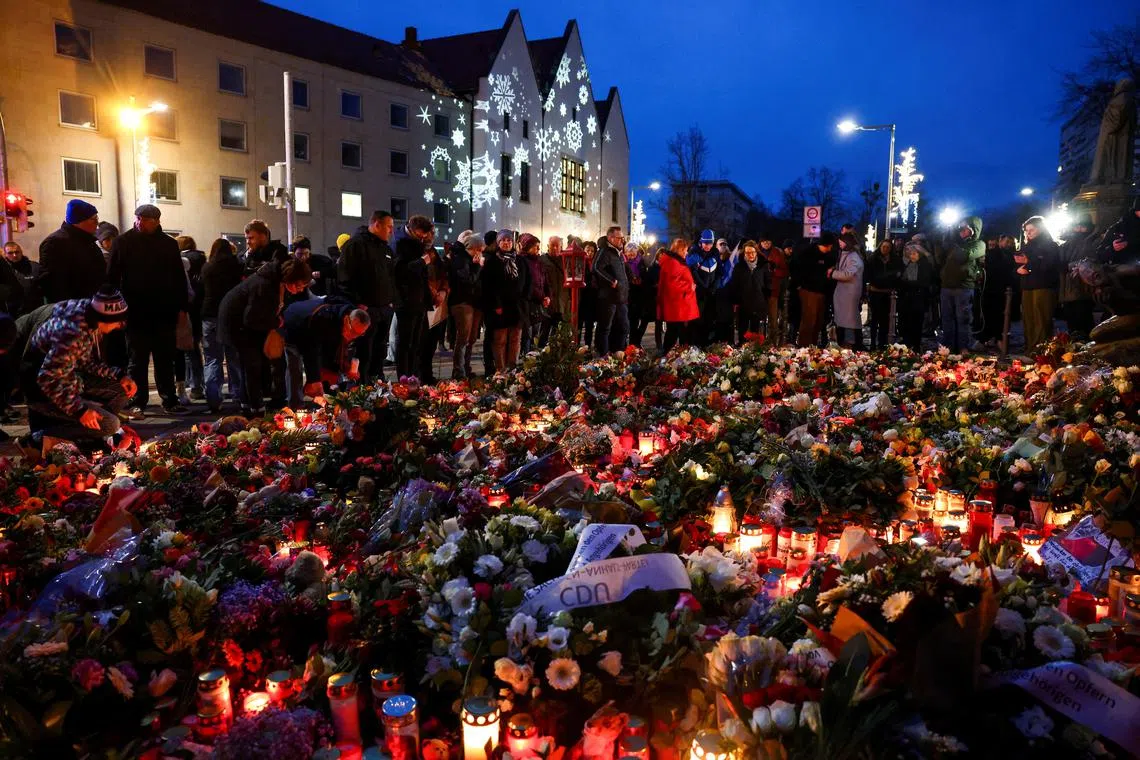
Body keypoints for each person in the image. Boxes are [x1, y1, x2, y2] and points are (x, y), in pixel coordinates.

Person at [21, 287, 137, 444]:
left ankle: (90, 429)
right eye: (118, 321)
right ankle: (38, 438)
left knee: (122, 389)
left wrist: (118, 375)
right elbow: (47, 379)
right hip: (41, 391)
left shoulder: (85, 314)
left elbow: (84, 361)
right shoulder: (71, 333)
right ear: (103, 318)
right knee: (111, 424)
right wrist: (80, 410)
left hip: (71, 378)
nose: (119, 326)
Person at [106, 204, 189, 416]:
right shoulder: (123, 242)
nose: (140, 223)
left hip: (163, 310)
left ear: (156, 221)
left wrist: (181, 307)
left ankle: (169, 398)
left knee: (164, 358)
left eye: (145, 220)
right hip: (135, 311)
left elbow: (178, 277)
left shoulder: (168, 244)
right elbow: (112, 278)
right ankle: (138, 399)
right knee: (137, 359)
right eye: (139, 219)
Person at [218, 258, 311, 417]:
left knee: (255, 365)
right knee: (252, 366)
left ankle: (250, 405)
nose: (300, 289)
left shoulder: (277, 282)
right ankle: (255, 410)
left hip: (250, 328)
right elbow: (251, 318)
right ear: (289, 278)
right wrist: (276, 321)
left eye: (304, 286)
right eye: (299, 285)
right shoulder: (264, 285)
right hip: (238, 327)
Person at [339, 211, 396, 382]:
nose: (391, 231)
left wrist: (391, 300)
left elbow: (390, 276)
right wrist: (357, 303)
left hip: (384, 309)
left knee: (380, 349)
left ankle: (377, 381)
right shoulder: (355, 245)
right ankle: (361, 383)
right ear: (377, 224)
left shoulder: (385, 248)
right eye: (389, 227)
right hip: (365, 309)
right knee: (364, 350)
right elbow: (344, 277)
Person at [282, 299, 370, 407]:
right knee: (294, 369)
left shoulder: (351, 320)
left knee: (325, 375)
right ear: (347, 320)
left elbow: (333, 350)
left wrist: (347, 367)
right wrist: (314, 379)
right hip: (294, 325)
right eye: (353, 332)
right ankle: (295, 407)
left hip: (313, 335)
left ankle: (326, 404)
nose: (354, 336)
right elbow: (312, 350)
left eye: (359, 334)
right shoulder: (325, 319)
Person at [200, 238, 244, 414]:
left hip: (210, 315)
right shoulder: (237, 266)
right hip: (231, 315)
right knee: (234, 357)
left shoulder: (207, 268)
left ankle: (213, 399)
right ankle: (239, 395)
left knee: (212, 359)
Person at [38, 198, 106, 304]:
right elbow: (52, 284)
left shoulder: (88, 242)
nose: (97, 223)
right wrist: (69, 309)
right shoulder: (55, 243)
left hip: (92, 304)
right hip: (71, 310)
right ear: (79, 221)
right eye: (93, 219)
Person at [392, 215, 435, 381]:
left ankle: (413, 376)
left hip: (419, 300)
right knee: (405, 342)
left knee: (416, 342)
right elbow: (400, 271)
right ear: (413, 229)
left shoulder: (417, 242)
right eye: (421, 234)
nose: (424, 237)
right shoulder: (399, 243)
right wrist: (421, 262)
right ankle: (404, 377)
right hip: (406, 300)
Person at [935, 216, 985, 353]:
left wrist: (952, 244)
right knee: (947, 318)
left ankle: (964, 346)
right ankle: (948, 346)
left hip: (963, 286)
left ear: (973, 230)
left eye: (965, 229)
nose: (961, 231)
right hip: (947, 286)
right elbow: (939, 260)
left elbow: (964, 256)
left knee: (963, 318)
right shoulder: (954, 243)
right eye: (960, 229)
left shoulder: (979, 244)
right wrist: (941, 242)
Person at [482, 230, 530, 371]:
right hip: (500, 306)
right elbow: (488, 285)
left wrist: (525, 298)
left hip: (517, 306)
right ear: (498, 242)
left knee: (515, 339)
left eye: (509, 240)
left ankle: (512, 367)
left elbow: (528, 280)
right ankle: (501, 369)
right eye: (503, 240)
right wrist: (496, 304)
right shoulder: (492, 261)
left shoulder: (520, 260)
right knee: (500, 340)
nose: (506, 243)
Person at [1014, 216, 1060, 353]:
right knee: (1029, 319)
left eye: (1032, 230)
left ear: (1040, 229)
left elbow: (1049, 265)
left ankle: (1041, 351)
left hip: (1043, 286)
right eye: (1026, 231)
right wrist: (1018, 269)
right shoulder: (1026, 246)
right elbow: (1022, 263)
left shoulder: (1050, 245)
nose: (1029, 233)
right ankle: (1030, 348)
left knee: (1041, 319)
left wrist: (1029, 265)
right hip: (1027, 286)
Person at [448, 231, 484, 379]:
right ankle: (459, 371)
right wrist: (477, 267)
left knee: (471, 339)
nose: (481, 253)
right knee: (462, 338)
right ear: (474, 248)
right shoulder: (461, 260)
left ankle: (466, 368)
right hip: (462, 303)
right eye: (480, 250)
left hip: (472, 303)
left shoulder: (468, 259)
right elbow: (468, 280)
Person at [1058, 214, 1099, 339]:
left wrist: (1069, 265)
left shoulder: (1093, 241)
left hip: (1083, 287)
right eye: (1077, 226)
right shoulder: (1067, 244)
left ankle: (1087, 345)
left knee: (1083, 316)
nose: (1079, 229)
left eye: (1082, 227)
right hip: (1067, 286)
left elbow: (1091, 260)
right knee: (1071, 318)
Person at [175, 235, 206, 403]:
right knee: (196, 351)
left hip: (186, 312)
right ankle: (197, 385)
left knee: (186, 351)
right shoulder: (203, 261)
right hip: (200, 312)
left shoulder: (182, 262)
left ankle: (191, 384)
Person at [793, 233, 837, 347]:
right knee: (809, 320)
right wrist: (798, 284)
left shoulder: (828, 256)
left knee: (818, 321)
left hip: (822, 292)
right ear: (827, 245)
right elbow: (796, 268)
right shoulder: (808, 253)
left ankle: (812, 345)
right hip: (809, 290)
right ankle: (804, 346)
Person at [592, 226, 630, 354]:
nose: (622, 241)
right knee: (605, 328)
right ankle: (603, 354)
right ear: (610, 238)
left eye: (622, 238)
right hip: (608, 297)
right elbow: (596, 267)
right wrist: (611, 281)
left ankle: (618, 353)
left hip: (620, 297)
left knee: (623, 327)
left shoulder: (618, 252)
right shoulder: (604, 251)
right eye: (619, 238)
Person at [975, 234, 1019, 346]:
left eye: (1011, 242)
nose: (1009, 244)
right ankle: (992, 338)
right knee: (993, 314)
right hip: (994, 288)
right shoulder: (995, 253)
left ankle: (998, 338)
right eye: (1007, 241)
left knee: (1001, 315)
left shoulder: (1009, 255)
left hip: (1002, 289)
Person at [657, 239, 700, 352]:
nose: (686, 253)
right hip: (678, 307)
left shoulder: (674, 261)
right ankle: (669, 358)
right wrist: (688, 287)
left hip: (679, 306)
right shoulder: (673, 262)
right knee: (675, 333)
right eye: (685, 251)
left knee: (677, 332)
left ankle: (675, 357)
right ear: (679, 250)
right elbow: (671, 285)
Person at [897, 239, 934, 351]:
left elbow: (924, 281)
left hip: (918, 298)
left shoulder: (924, 265)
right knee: (905, 322)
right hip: (906, 298)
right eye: (910, 254)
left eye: (914, 254)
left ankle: (916, 345)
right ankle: (907, 342)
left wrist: (907, 283)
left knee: (916, 323)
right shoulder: (906, 264)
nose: (911, 256)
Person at [830, 232, 865, 349]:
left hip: (849, 293)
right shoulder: (847, 254)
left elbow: (848, 274)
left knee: (849, 319)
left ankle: (850, 343)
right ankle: (846, 342)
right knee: (845, 319)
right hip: (845, 292)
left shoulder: (853, 256)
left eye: (841, 241)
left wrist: (832, 273)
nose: (839, 243)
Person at [865, 240, 902, 349]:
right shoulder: (873, 259)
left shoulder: (894, 261)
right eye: (884, 246)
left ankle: (882, 343)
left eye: (888, 247)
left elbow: (896, 274)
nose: (885, 249)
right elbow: (869, 274)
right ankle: (872, 343)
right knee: (874, 319)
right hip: (875, 293)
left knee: (884, 320)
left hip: (887, 294)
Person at [421, 242, 450, 382]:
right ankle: (421, 374)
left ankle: (428, 374)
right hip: (425, 305)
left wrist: (443, 292)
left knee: (432, 343)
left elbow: (445, 278)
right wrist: (433, 294)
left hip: (438, 306)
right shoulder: (420, 260)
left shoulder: (438, 262)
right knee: (423, 344)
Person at [687, 229, 719, 346]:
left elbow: (719, 272)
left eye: (710, 243)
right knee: (697, 321)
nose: (708, 246)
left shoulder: (715, 252)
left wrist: (714, 287)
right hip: (698, 294)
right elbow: (692, 273)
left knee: (709, 320)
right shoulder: (694, 253)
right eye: (706, 243)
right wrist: (703, 287)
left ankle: (706, 345)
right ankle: (695, 345)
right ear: (701, 242)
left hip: (711, 293)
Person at [731, 240, 767, 344]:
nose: (750, 255)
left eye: (752, 252)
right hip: (743, 304)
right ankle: (742, 351)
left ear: (756, 252)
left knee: (756, 332)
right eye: (747, 253)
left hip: (758, 303)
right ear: (744, 253)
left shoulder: (762, 266)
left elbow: (767, 284)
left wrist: (765, 301)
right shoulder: (739, 267)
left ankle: (754, 353)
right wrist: (736, 302)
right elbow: (735, 286)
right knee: (742, 330)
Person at [518, 233, 548, 353]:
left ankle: (533, 358)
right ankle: (526, 357)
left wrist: (546, 296)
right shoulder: (522, 261)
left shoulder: (539, 262)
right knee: (527, 335)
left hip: (538, 303)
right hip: (527, 303)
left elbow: (544, 281)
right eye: (535, 246)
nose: (538, 249)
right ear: (527, 247)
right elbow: (527, 284)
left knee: (536, 334)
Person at [538, 236, 569, 348]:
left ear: (561, 247)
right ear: (548, 246)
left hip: (561, 302)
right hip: (548, 302)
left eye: (557, 246)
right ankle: (541, 352)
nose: (555, 248)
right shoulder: (541, 260)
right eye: (552, 246)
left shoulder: (565, 260)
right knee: (544, 330)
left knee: (558, 331)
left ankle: (554, 354)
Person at [629, 245, 659, 349]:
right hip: (629, 296)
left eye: (633, 252)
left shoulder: (643, 263)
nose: (631, 254)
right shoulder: (625, 263)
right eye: (629, 252)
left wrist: (642, 280)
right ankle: (632, 344)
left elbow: (647, 277)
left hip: (641, 296)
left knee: (640, 321)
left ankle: (635, 342)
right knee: (631, 322)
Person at [3, 241, 44, 316]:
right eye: (10, 253)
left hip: (35, 311)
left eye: (17, 252)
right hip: (13, 313)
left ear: (21, 252)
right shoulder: (4, 271)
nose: (14, 255)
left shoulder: (34, 267)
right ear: (5, 255)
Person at [760, 236, 788, 343]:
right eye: (764, 241)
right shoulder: (756, 252)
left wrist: (774, 270)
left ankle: (772, 342)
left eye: (768, 241)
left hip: (773, 290)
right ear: (761, 242)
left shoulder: (777, 253)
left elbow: (784, 271)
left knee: (773, 318)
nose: (766, 243)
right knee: (760, 318)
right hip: (760, 290)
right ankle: (759, 341)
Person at [1098, 196, 1140, 265]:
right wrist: (1113, 249)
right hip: (1124, 271)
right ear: (1136, 210)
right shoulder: (1119, 228)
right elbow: (1100, 255)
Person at [712, 238, 737, 343]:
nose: (723, 246)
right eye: (720, 244)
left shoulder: (731, 261)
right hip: (716, 295)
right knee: (717, 322)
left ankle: (728, 344)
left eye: (725, 244)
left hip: (728, 295)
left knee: (728, 322)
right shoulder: (713, 259)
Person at [579, 240, 599, 347]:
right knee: (578, 325)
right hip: (582, 296)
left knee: (589, 325)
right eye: (588, 250)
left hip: (593, 298)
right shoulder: (580, 262)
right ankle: (576, 346)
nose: (590, 253)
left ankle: (587, 346)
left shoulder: (597, 263)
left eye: (592, 251)